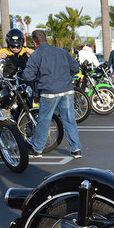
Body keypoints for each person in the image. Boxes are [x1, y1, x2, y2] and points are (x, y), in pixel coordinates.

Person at [22, 29, 82, 159]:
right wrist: (65, 77)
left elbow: (27, 76)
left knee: (44, 120)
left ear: (34, 42)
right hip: (66, 90)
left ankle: (37, 150)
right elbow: (75, 68)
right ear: (46, 39)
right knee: (69, 119)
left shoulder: (36, 55)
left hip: (48, 92)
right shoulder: (62, 52)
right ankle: (76, 149)